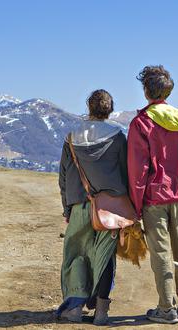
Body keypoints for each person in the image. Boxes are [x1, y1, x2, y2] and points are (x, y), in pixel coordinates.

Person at [127, 65, 178, 324]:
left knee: (161, 254)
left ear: (145, 91)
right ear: (168, 90)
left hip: (154, 200)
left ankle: (166, 309)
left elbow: (137, 170)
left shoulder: (141, 123)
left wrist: (134, 206)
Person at [56, 89, 128, 325]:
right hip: (111, 209)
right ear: (110, 109)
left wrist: (68, 208)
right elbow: (126, 173)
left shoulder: (72, 137)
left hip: (79, 206)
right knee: (105, 258)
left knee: (77, 255)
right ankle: (101, 311)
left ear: (89, 108)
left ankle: (75, 309)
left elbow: (64, 176)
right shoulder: (118, 137)